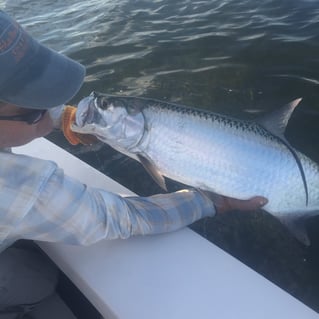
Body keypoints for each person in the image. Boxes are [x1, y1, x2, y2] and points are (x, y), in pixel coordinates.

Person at [0, 10, 267, 319]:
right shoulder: (17, 189)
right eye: (34, 114)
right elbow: (120, 217)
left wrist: (68, 119)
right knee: (38, 280)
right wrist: (212, 201)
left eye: (43, 99)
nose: (48, 115)